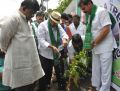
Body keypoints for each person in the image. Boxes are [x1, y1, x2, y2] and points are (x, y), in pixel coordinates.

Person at [0, 0, 45, 91]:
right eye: (32, 12)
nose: (33, 15)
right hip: (19, 67)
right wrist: (5, 50)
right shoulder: (13, 18)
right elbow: (3, 39)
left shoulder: (26, 20)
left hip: (29, 67)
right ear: (24, 8)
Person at [78, 0, 116, 91]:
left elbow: (106, 30)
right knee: (96, 70)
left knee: (105, 72)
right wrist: (87, 44)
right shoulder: (90, 15)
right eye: (81, 9)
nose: (83, 11)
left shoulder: (101, 11)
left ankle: (104, 89)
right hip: (95, 47)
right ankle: (96, 87)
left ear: (90, 4)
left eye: (84, 8)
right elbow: (91, 32)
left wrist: (94, 43)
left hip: (105, 47)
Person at [37, 11, 69, 90]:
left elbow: (64, 34)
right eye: (54, 22)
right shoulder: (42, 26)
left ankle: (61, 86)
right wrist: (51, 47)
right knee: (46, 72)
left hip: (57, 53)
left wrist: (65, 40)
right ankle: (46, 85)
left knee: (60, 71)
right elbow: (41, 40)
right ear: (50, 19)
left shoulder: (58, 26)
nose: (55, 24)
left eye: (56, 22)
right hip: (45, 55)